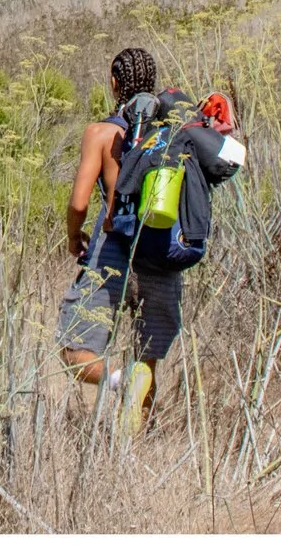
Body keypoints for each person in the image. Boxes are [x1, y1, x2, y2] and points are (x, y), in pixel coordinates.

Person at [56, 46, 236, 433]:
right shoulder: (170, 134)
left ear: (114, 83)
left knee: (74, 349)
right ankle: (134, 442)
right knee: (148, 356)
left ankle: (118, 380)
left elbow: (79, 202)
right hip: (159, 246)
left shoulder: (102, 133)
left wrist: (74, 236)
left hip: (112, 249)